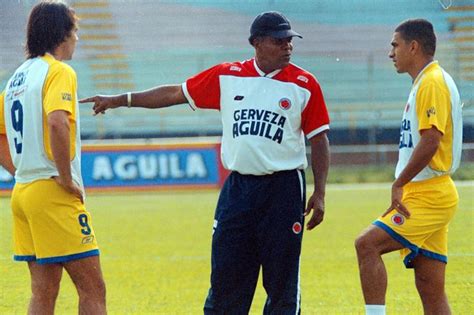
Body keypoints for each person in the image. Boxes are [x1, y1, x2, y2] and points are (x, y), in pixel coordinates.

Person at [81, 11, 330, 314]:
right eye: (280, 40)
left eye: (290, 40)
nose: (288, 46)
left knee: (282, 282)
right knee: (227, 275)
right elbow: (175, 93)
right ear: (257, 43)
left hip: (284, 188)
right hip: (238, 188)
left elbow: (319, 139)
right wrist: (121, 99)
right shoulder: (228, 76)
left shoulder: (305, 84)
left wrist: (320, 192)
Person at [0, 2, 107, 314]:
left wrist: (20, 171)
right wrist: (64, 176)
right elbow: (57, 121)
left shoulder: (16, 78)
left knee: (43, 292)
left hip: (23, 192)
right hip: (52, 191)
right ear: (63, 34)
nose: (77, 39)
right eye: (75, 31)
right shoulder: (59, 71)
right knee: (93, 289)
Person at [355, 19, 462, 315]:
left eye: (395, 45)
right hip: (430, 191)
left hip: (428, 194)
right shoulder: (425, 82)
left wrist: (399, 182)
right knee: (430, 289)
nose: (391, 53)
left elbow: (431, 140)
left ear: (413, 47)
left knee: (367, 245)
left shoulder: (431, 82)